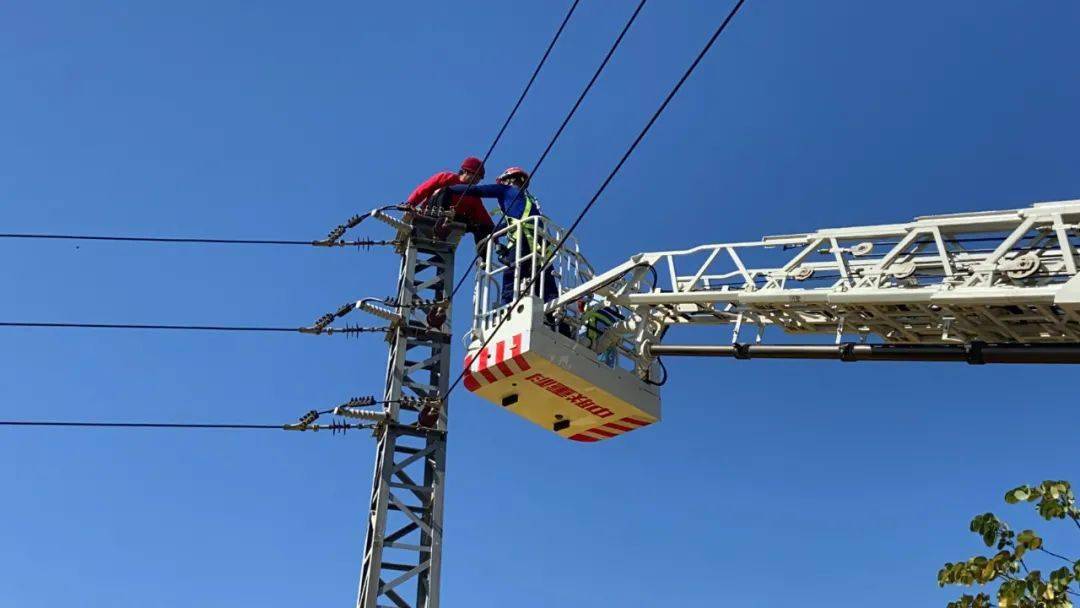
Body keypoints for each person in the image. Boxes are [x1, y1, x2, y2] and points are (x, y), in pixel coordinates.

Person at [446, 167, 557, 304]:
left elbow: (477, 191)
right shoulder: (529, 201)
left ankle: (506, 310)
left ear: (506, 180)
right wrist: (492, 232)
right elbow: (512, 223)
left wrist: (450, 189)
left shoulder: (505, 190)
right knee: (547, 288)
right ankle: (558, 320)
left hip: (521, 242)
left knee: (511, 279)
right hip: (541, 245)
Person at [405, 156, 494, 247]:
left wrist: (493, 232)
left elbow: (483, 217)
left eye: (479, 178)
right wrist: (410, 203)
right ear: (466, 171)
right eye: (476, 176)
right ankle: (442, 219)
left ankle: (482, 256)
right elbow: (423, 189)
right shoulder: (446, 177)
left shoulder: (473, 196)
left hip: (452, 220)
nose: (477, 181)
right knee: (445, 190)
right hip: (433, 211)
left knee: (483, 227)